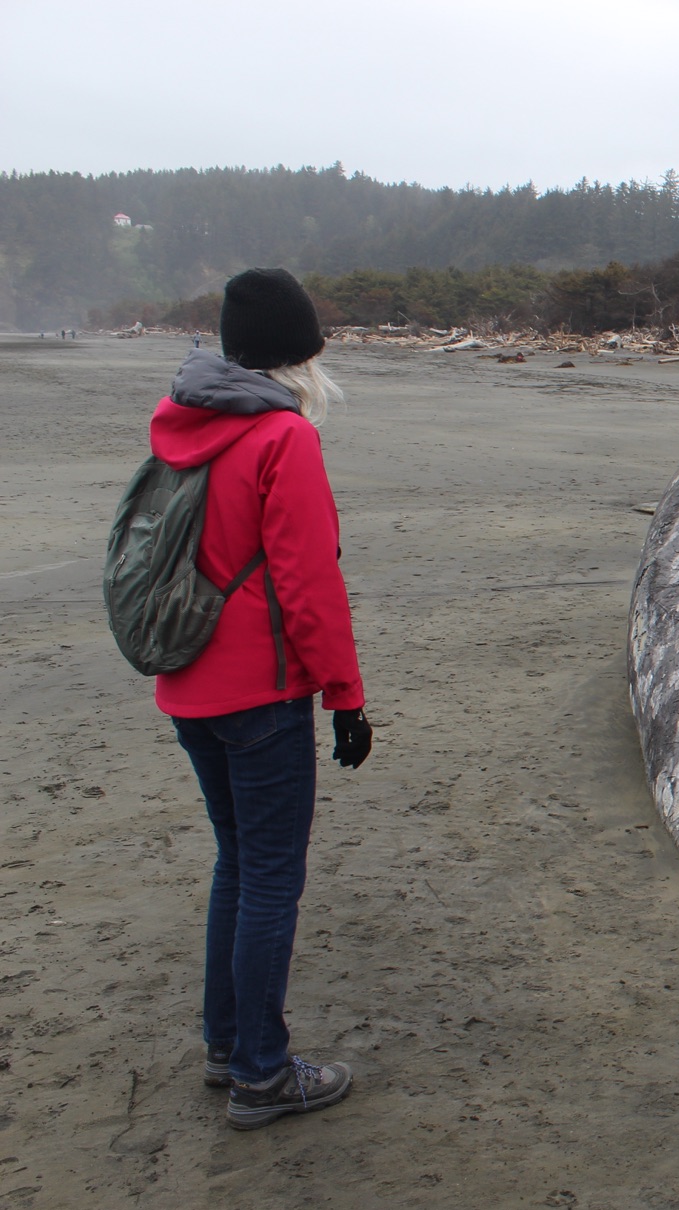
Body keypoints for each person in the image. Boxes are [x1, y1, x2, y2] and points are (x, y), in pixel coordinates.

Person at [149, 267, 373, 1129]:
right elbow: (309, 586)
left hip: (189, 689)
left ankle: (226, 1044)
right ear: (299, 357)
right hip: (261, 696)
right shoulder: (283, 441)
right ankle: (262, 1073)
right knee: (272, 875)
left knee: (237, 865)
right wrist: (346, 699)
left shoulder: (180, 426)